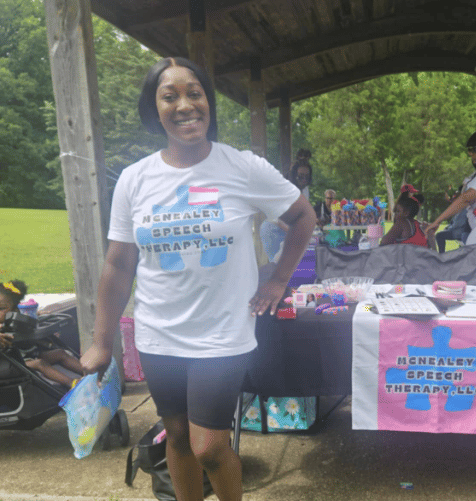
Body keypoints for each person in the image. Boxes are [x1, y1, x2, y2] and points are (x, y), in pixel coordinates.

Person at [79, 57, 316, 501]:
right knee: (176, 436)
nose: (185, 105)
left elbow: (303, 216)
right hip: (158, 333)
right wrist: (101, 341)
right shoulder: (134, 179)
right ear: (155, 110)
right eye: (170, 96)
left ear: (208, 101)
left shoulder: (242, 167)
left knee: (209, 447)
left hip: (222, 334)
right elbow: (119, 264)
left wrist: (277, 281)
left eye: (195, 93)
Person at [425, 128, 476, 286]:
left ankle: (464, 296)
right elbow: (464, 198)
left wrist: (437, 221)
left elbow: (465, 199)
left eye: (473, 149)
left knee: (468, 270)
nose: (470, 154)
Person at [0, 280, 83, 388]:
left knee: (60, 353)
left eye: (1, 308)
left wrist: (35, 314)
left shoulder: (16, 319)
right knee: (39, 363)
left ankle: (92, 373)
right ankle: (72, 383)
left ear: (15, 310)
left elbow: (27, 316)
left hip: (28, 355)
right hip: (11, 364)